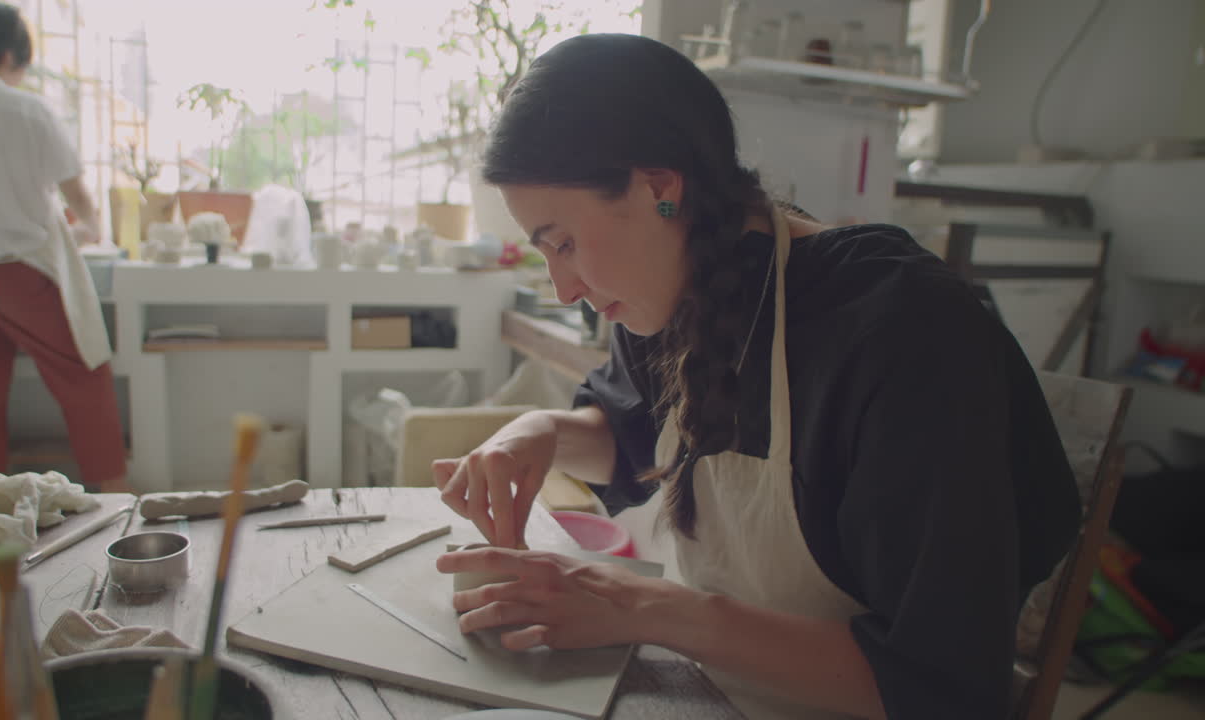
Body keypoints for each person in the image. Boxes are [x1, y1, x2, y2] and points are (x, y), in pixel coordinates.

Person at [432, 33, 1080, 720]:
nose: (563, 288)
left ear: (658, 187)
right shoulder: (680, 289)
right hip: (712, 690)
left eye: (564, 243)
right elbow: (627, 433)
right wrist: (537, 433)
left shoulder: (900, 333)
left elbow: (942, 690)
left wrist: (644, 607)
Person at [0, 1, 128, 492]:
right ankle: (117, 500)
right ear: (8, 53)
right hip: (23, 274)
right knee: (85, 381)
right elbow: (78, 199)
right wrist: (89, 228)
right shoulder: (26, 109)